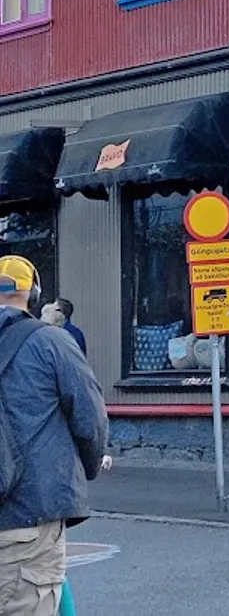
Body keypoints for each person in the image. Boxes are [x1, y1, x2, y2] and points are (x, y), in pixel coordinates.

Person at [0, 255, 108, 616]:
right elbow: (90, 420)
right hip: (27, 517)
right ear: (33, 295)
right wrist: (89, 467)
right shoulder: (51, 342)